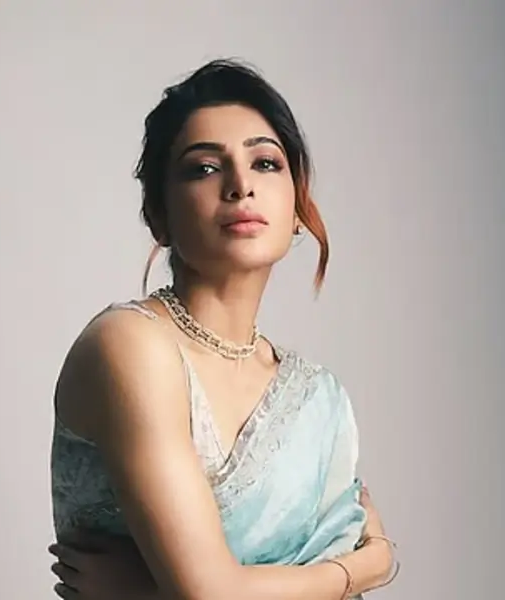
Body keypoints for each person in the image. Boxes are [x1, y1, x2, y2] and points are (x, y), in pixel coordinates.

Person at [48, 59, 400, 600]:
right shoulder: (129, 346)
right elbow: (211, 595)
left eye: (266, 163)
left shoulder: (317, 398)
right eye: (205, 168)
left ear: (298, 206)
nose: (241, 186)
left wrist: (149, 592)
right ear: (158, 215)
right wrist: (368, 565)